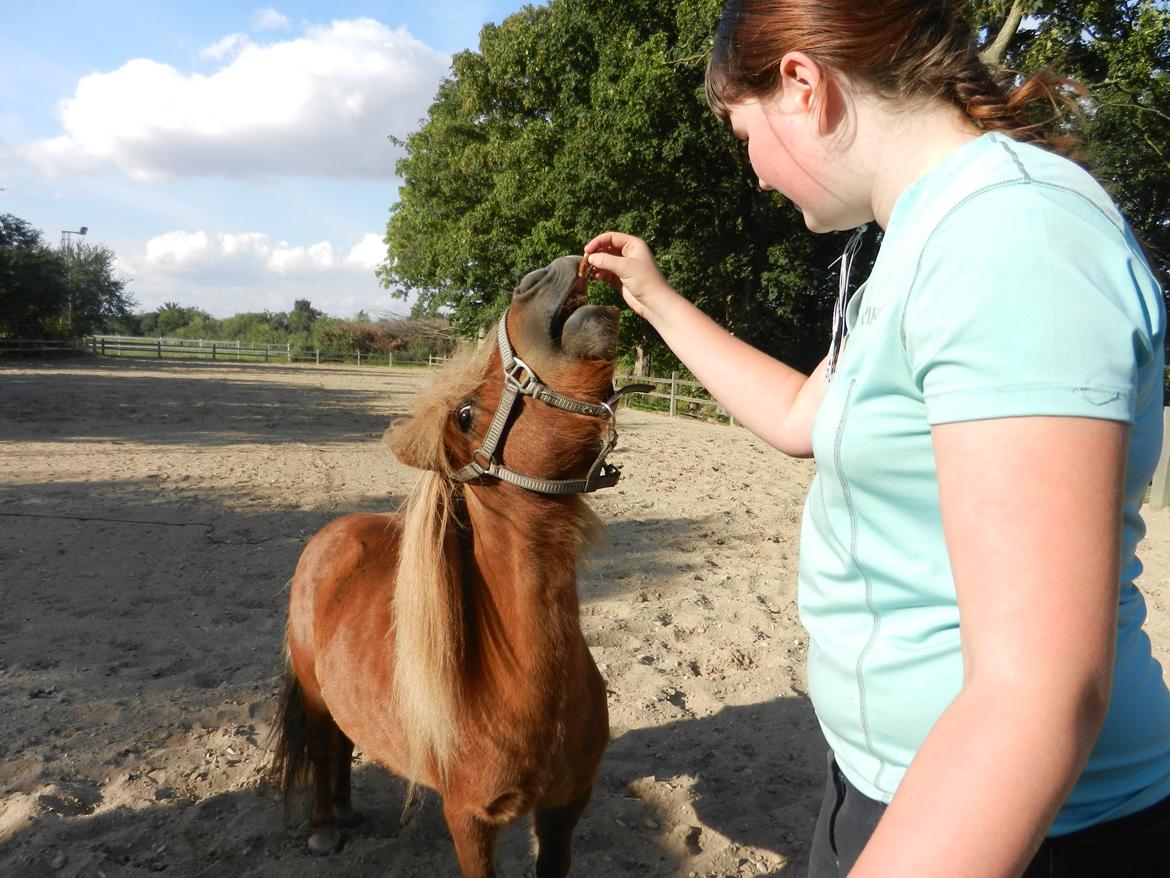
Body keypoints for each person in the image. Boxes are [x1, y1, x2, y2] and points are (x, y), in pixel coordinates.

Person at [582, 1, 1170, 875]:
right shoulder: (914, 243)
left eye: (744, 134)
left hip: (1025, 825)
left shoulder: (1013, 238)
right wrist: (656, 299)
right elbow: (799, 421)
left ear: (802, 85)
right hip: (892, 782)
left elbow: (1037, 697)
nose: (753, 173)